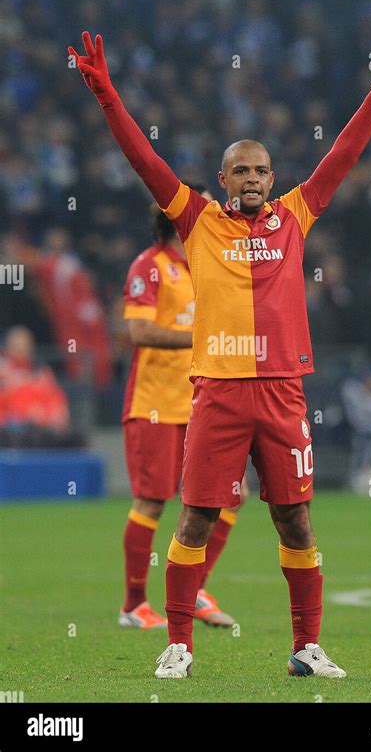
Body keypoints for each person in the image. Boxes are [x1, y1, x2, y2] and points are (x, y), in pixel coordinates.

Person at [69, 25, 371, 679]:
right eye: (242, 170)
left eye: (262, 170)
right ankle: (178, 644)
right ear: (224, 177)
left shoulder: (296, 214)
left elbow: (342, 154)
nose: (253, 178)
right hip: (219, 391)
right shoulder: (197, 220)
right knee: (196, 516)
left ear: (271, 177)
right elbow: (146, 161)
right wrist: (108, 97)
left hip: (283, 390)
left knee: (296, 520)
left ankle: (306, 647)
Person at [120, 190, 241, 629]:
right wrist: (200, 338)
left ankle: (197, 590)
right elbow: (138, 330)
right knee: (152, 501)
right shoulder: (149, 266)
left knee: (231, 496)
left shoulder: (207, 267)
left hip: (201, 406)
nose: (214, 212)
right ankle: (134, 605)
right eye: (205, 204)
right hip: (154, 405)